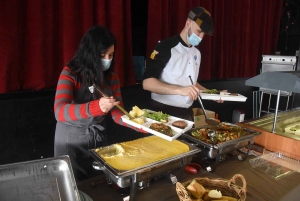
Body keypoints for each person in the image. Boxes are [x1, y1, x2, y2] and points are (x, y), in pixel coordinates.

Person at [54, 25, 145, 182]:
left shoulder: (112, 77)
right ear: (90, 53)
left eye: (111, 55)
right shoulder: (70, 73)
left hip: (98, 141)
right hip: (70, 142)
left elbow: (117, 113)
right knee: (74, 188)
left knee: (98, 185)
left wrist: (140, 124)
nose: (108, 60)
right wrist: (96, 107)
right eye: (103, 55)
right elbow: (60, 111)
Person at [143, 7, 223, 121]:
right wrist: (179, 90)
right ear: (188, 23)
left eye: (204, 34)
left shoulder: (197, 53)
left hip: (186, 113)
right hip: (161, 112)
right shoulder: (165, 47)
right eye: (199, 32)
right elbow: (147, 83)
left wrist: (212, 94)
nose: (201, 38)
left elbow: (191, 83)